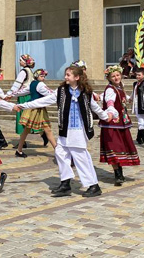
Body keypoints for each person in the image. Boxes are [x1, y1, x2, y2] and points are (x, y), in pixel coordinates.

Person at [14, 65, 115, 198]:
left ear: (77, 77)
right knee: (60, 152)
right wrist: (24, 105)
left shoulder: (86, 92)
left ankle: (93, 185)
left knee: (80, 157)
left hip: (79, 130)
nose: (65, 77)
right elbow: (44, 100)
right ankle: (65, 183)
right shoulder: (61, 91)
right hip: (65, 130)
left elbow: (95, 107)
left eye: (68, 75)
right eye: (65, 74)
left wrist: (106, 116)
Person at [99, 66, 140, 186]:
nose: (116, 77)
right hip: (111, 124)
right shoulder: (110, 90)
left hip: (121, 123)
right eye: (113, 76)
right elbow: (110, 101)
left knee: (120, 147)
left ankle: (119, 172)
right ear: (109, 78)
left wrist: (131, 97)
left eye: (117, 75)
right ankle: (117, 173)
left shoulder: (119, 87)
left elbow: (123, 98)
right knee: (113, 147)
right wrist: (111, 110)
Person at [9, 68, 55, 158]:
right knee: (46, 129)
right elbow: (50, 94)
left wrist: (10, 95)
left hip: (33, 107)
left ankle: (19, 150)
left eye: (44, 76)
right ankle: (58, 152)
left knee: (28, 130)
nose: (43, 78)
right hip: (36, 108)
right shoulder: (40, 85)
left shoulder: (32, 83)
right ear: (37, 76)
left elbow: (22, 91)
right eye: (41, 76)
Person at [6, 54, 38, 145]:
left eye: (20, 60)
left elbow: (17, 84)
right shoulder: (30, 71)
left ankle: (22, 142)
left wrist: (9, 94)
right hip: (29, 95)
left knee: (22, 118)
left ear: (24, 62)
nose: (19, 62)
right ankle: (41, 134)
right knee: (29, 117)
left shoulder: (23, 72)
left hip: (23, 96)